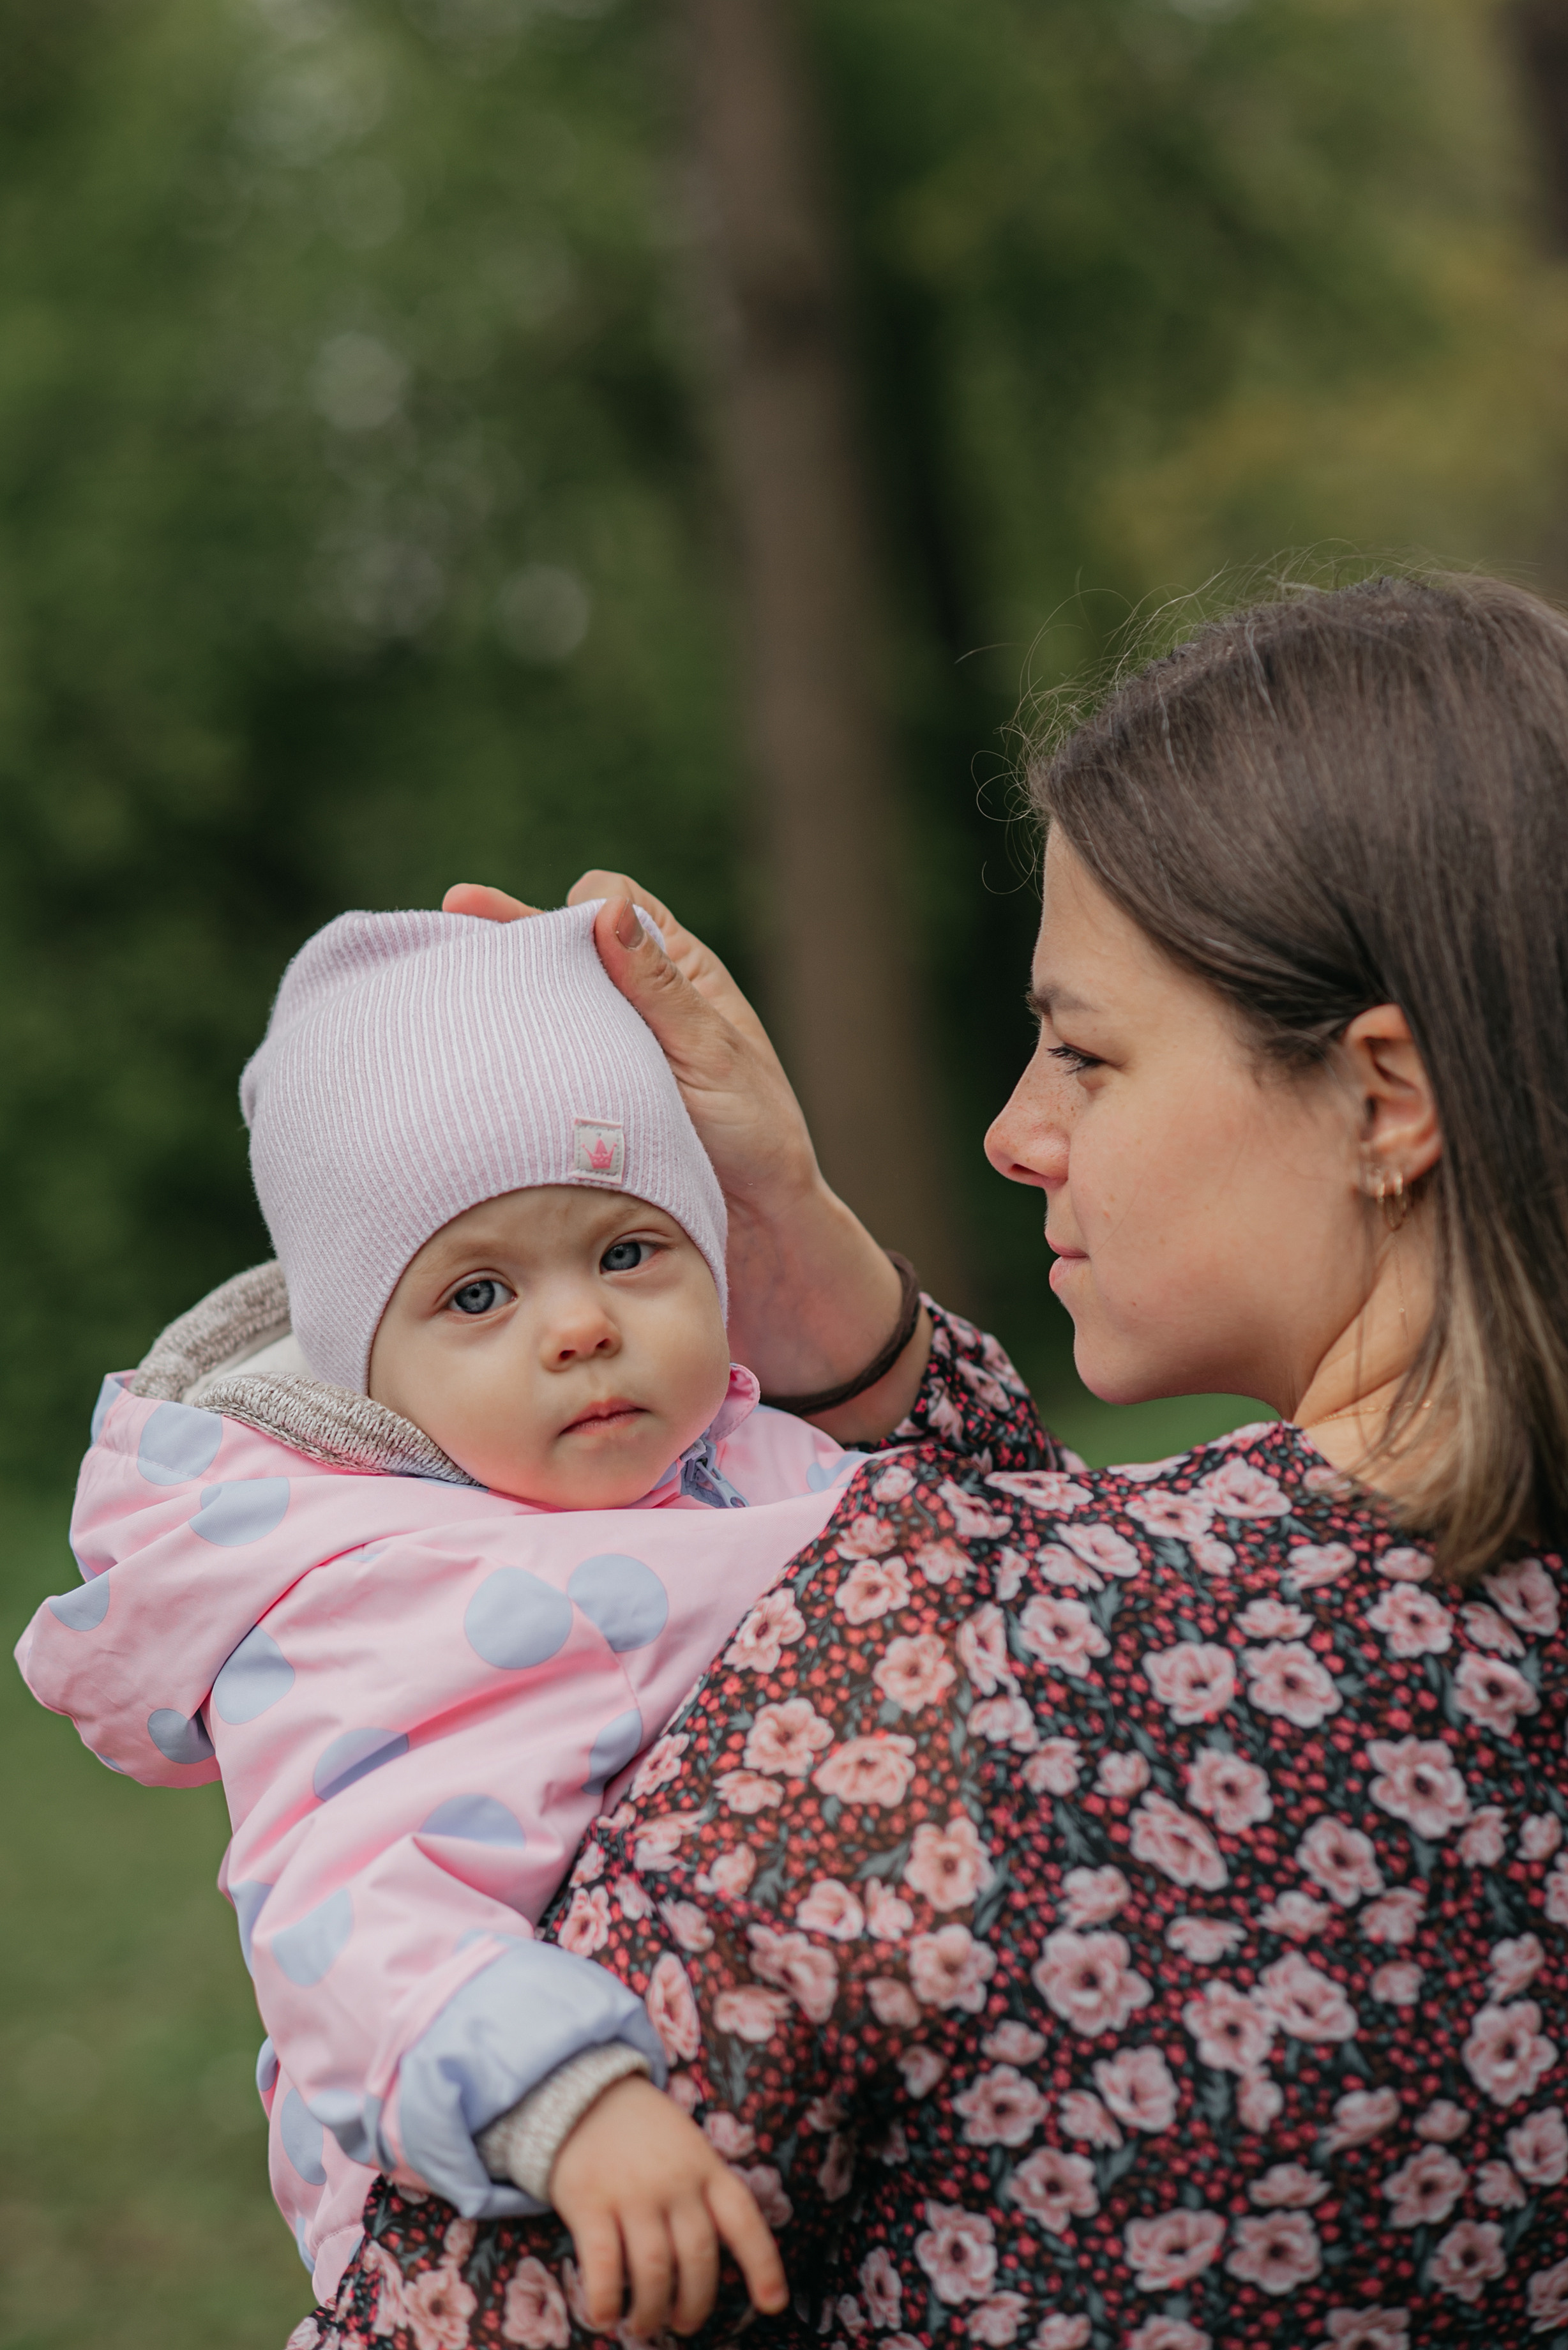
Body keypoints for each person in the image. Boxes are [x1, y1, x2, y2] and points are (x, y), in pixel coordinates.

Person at [303, 573, 1568, 2348]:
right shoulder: (1226, 1636)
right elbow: (1180, 1636)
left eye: (1088, 1052)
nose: (1015, 1131)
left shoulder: (922, 1672)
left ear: (1385, 1096)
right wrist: (802, 1256)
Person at [18, 897, 934, 2324]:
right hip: (525, 2222)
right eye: (481, 1290)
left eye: (630, 1252)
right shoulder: (380, 1601)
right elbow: (346, 1912)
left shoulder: (770, 1460)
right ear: (368, 1382)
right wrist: (562, 2094)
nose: (578, 1325)